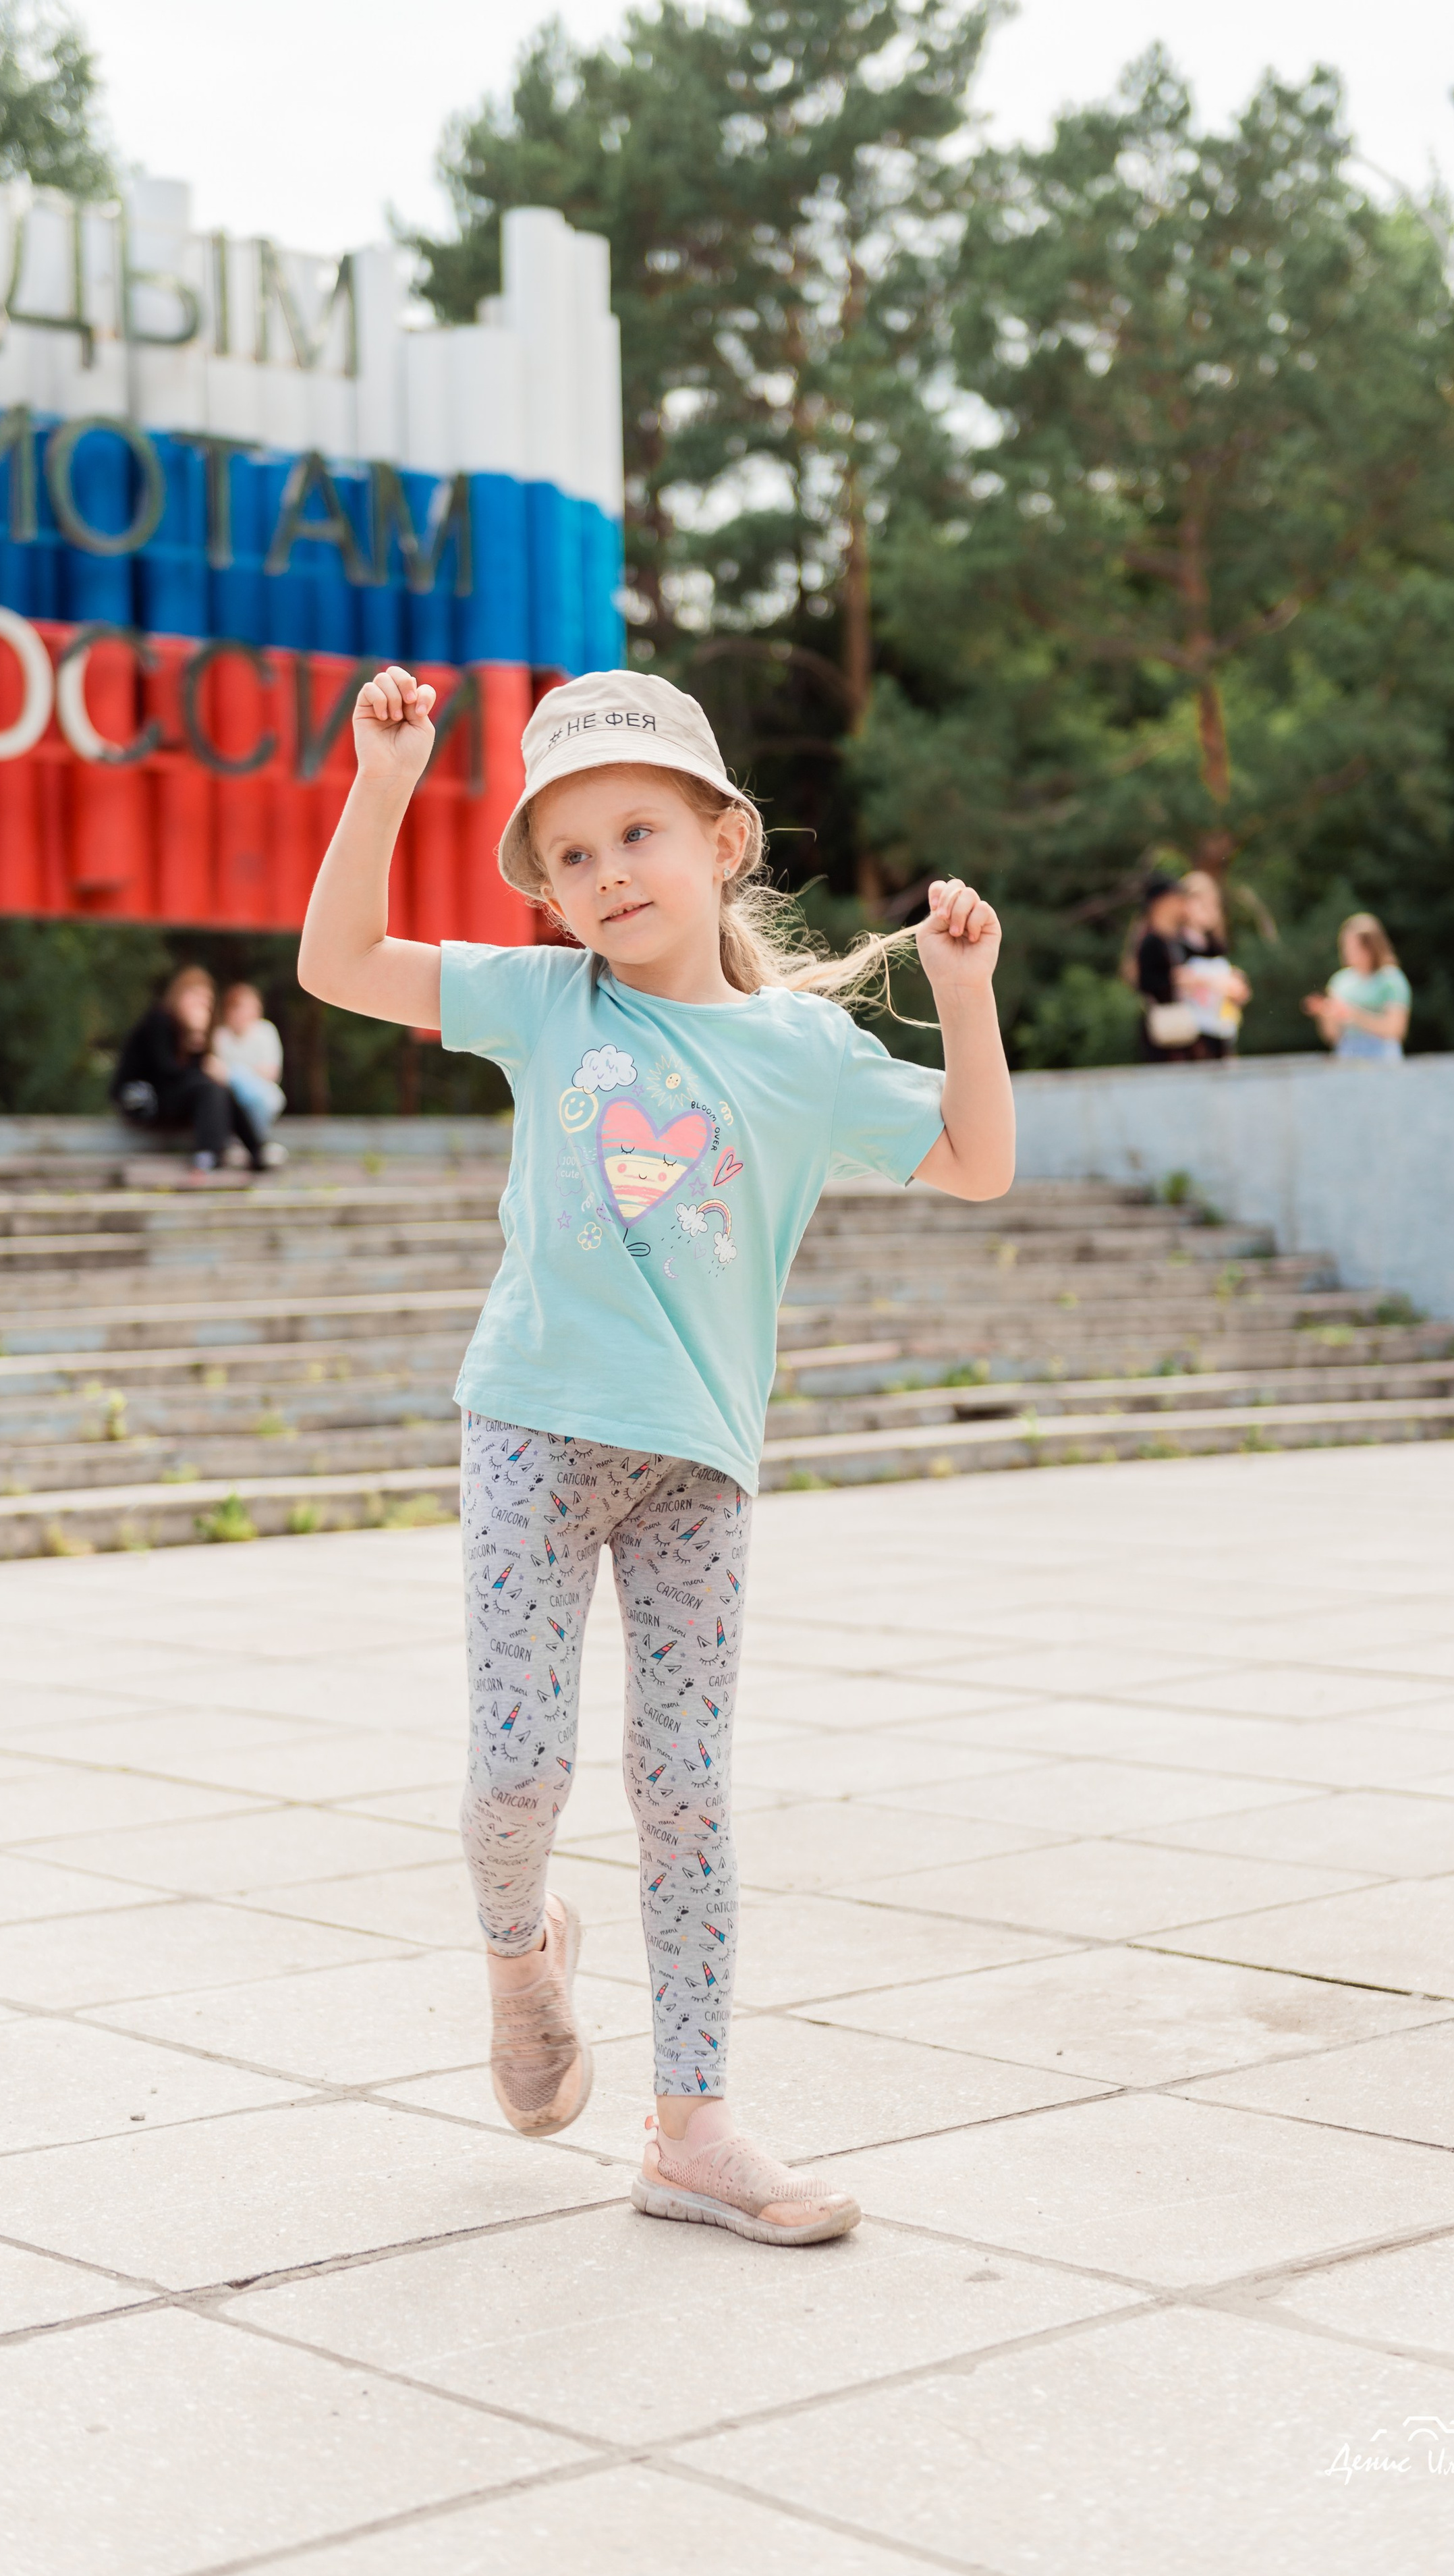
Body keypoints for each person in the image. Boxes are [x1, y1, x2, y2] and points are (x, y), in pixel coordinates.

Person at [298, 664, 1013, 2247]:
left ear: (723, 840)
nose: (607, 870)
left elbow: (972, 1161)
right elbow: (337, 959)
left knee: (684, 1789)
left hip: (697, 1458)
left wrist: (962, 994)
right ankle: (516, 1949)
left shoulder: (802, 1053)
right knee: (517, 1767)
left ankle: (690, 2125)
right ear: (549, 894)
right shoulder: (548, 1005)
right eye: (570, 853)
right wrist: (388, 774)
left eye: (637, 831)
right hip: (533, 1429)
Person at [111, 966, 269, 1177]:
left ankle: (256, 1151)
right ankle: (209, 1153)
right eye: (196, 997)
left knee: (219, 1088)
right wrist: (195, 1040)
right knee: (210, 1088)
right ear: (180, 995)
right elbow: (169, 1072)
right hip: (145, 1100)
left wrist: (198, 1041)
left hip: (173, 1098)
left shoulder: (195, 1031)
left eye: (207, 1001)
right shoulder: (160, 1021)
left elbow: (193, 1076)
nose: (201, 1005)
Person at [1304, 912, 1411, 1062]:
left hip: (1382, 1057)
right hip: (1348, 1055)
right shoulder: (1340, 981)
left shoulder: (1391, 979)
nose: (1346, 951)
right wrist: (1325, 1014)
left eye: (1352, 946)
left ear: (1370, 948)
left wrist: (1354, 1015)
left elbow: (1395, 1030)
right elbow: (1333, 1036)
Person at [1130, 872, 1204, 1061]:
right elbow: (1145, 982)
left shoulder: (1176, 940)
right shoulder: (1150, 941)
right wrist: (1175, 981)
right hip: (1163, 1029)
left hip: (1184, 1029)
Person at [1179, 869, 1251, 1059]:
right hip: (1189, 1036)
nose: (1210, 911)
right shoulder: (1176, 944)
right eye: (1202, 904)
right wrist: (1213, 982)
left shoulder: (1216, 946)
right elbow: (1172, 977)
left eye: (1214, 905)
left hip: (1220, 1034)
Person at [212, 982, 287, 1150]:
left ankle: (250, 1143)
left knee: (260, 1098)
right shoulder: (220, 1036)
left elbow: (271, 1072)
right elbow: (214, 1072)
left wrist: (236, 1074)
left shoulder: (265, 1031)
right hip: (231, 1095)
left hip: (260, 1094)